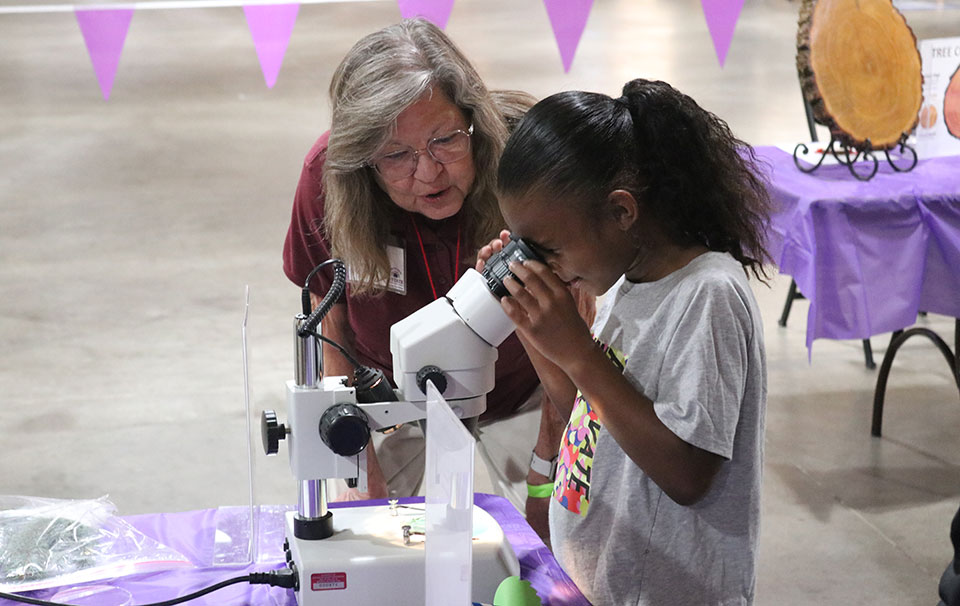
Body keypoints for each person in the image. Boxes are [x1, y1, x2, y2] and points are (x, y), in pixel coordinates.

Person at [282, 18, 592, 537]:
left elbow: (580, 325)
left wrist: (546, 468)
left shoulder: (529, 157)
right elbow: (327, 320)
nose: (427, 172)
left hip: (526, 393)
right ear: (364, 160)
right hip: (395, 401)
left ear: (474, 120)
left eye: (445, 140)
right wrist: (356, 467)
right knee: (364, 539)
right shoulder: (328, 177)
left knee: (559, 542)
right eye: (396, 156)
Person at [476, 78, 771, 604]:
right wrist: (533, 329)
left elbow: (687, 473)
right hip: (606, 582)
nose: (545, 265)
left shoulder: (708, 295)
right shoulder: (623, 283)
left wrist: (578, 351)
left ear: (621, 212)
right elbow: (588, 416)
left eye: (549, 248)